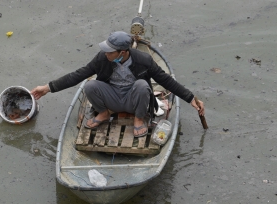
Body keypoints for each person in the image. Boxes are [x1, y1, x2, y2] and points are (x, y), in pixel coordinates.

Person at [30, 31, 205, 137]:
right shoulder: (102, 58)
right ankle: (104, 114)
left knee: (143, 85)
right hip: (112, 97)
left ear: (122, 52)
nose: (105, 53)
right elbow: (79, 74)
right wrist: (47, 88)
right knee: (89, 86)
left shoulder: (143, 60)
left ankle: (138, 118)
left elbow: (165, 80)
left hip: (135, 100)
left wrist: (191, 99)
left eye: (109, 51)